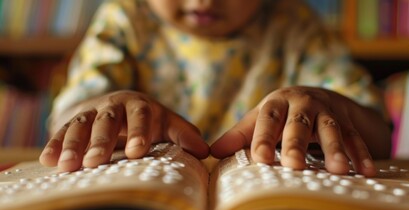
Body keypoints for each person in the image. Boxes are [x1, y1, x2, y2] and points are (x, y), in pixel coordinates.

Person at [39, 0, 391, 177]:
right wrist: (106, 106)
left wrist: (325, 104)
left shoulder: (297, 24)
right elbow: (65, 123)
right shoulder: (124, 19)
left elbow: (378, 136)